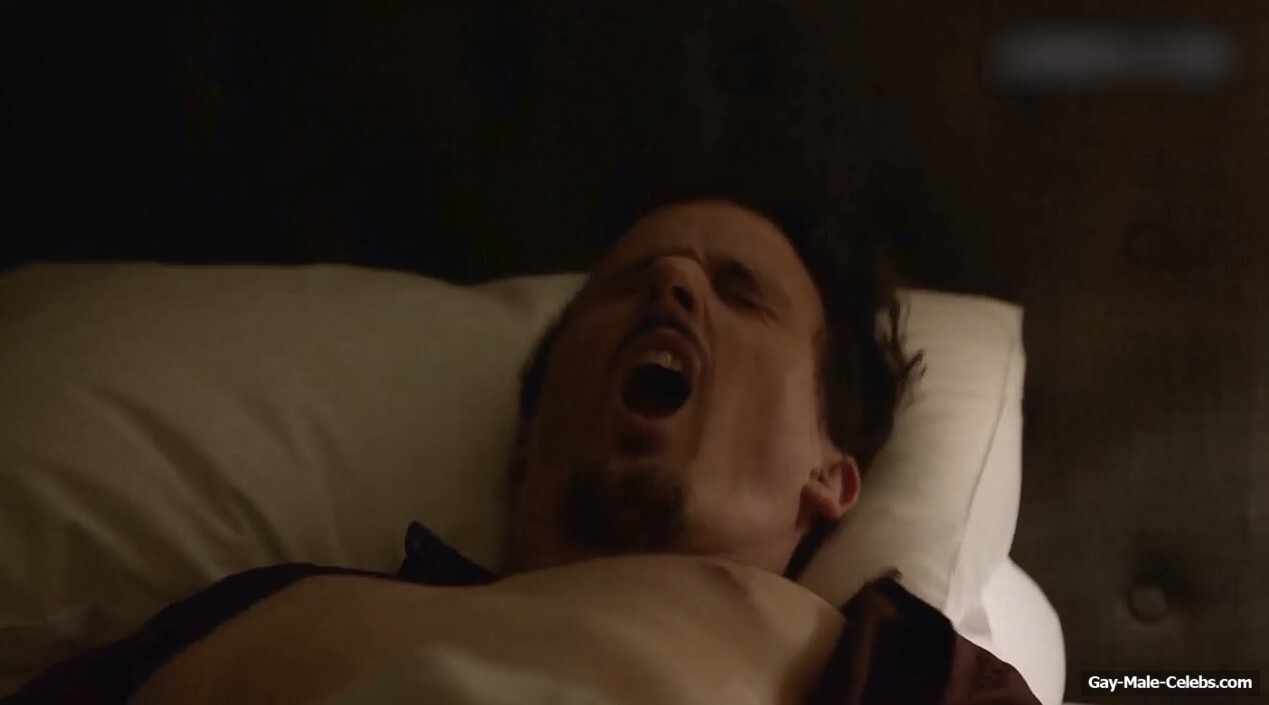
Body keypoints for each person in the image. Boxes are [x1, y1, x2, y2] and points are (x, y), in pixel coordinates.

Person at [5, 195, 1039, 705]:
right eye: (626, 285)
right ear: (526, 437)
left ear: (830, 474)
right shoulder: (267, 608)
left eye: (739, 293)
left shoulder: (882, 659)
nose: (674, 284)